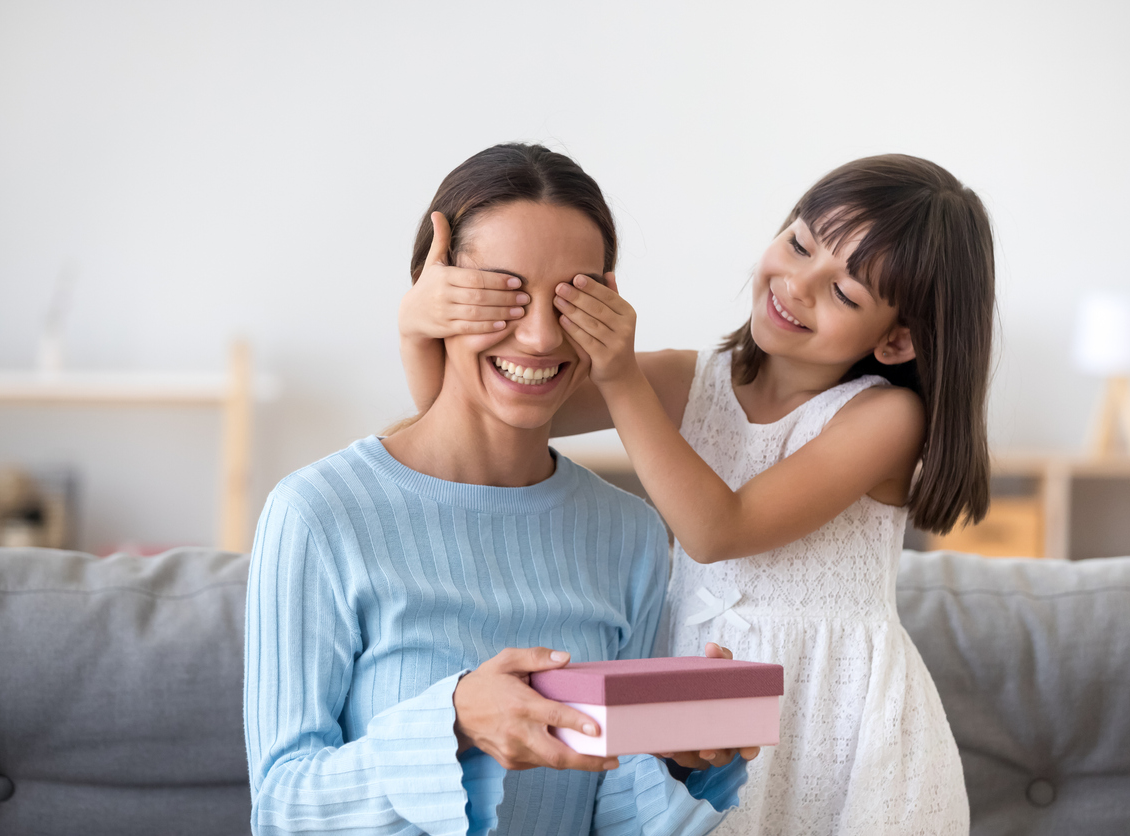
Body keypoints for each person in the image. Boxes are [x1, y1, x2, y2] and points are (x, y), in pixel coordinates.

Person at [401, 154, 994, 834]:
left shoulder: (884, 418)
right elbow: (469, 415)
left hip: (831, 720)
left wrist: (622, 379)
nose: (798, 284)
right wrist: (416, 324)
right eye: (800, 244)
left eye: (844, 294)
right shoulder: (690, 382)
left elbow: (718, 531)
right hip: (699, 715)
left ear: (896, 341)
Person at [244, 143, 755, 836]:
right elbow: (283, 808)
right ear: (437, 292)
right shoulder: (317, 515)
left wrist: (677, 760)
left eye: (572, 299)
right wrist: (452, 722)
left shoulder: (629, 534)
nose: (541, 336)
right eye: (503, 294)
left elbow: (611, 818)